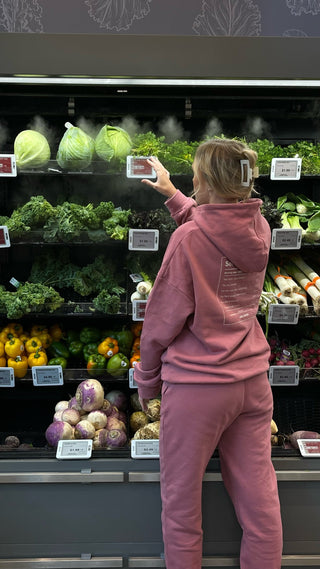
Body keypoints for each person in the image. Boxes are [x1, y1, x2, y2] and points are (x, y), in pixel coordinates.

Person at [133, 138, 283, 569]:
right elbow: (217, 232)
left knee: (181, 506)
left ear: (207, 181)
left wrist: (147, 380)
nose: (192, 179)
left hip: (198, 390)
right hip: (253, 387)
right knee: (259, 504)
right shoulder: (260, 229)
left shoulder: (188, 239)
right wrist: (172, 194)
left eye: (196, 173)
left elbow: (161, 321)